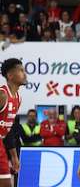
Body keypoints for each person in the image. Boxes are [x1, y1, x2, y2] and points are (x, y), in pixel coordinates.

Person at [0, 58, 26, 186]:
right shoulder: (2, 95)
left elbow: (8, 130)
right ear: (10, 75)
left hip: (1, 145)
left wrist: (14, 156)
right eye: (21, 71)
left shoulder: (18, 98)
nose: (25, 74)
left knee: (6, 183)